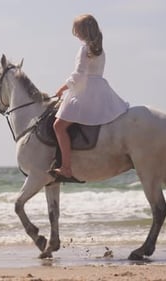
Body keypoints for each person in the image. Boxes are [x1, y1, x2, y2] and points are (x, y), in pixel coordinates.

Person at [50, 14, 129, 181]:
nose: (75, 33)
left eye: (77, 29)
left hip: (85, 91)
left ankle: (66, 167)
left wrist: (62, 89)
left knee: (59, 126)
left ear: (83, 30)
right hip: (101, 90)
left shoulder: (84, 49)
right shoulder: (100, 50)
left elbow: (79, 75)